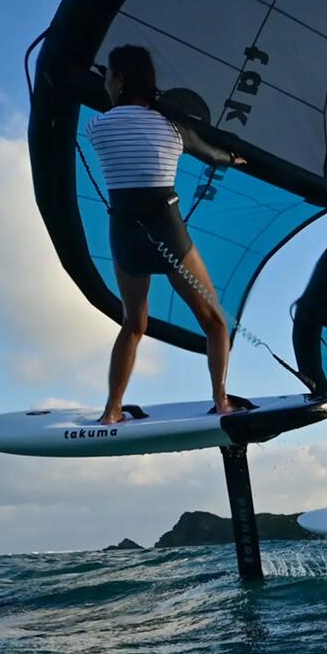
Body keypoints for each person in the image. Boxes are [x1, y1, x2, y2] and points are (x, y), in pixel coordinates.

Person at [88, 44, 244, 425]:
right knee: (216, 322)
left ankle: (111, 411)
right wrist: (234, 158)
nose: (105, 81)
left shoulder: (97, 126)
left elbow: (107, 104)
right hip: (166, 232)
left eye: (108, 74)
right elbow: (213, 154)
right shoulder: (172, 126)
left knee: (133, 324)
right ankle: (222, 401)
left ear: (120, 79)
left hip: (125, 234)